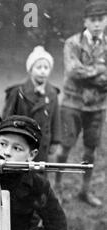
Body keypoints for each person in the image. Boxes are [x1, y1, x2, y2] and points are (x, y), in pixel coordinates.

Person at [55, 0, 107, 207]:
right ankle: (57, 187)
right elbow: (73, 71)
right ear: (85, 21)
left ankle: (85, 190)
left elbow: (83, 72)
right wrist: (101, 71)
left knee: (90, 150)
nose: (96, 24)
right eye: (92, 20)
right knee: (65, 147)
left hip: (97, 106)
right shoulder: (72, 43)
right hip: (72, 104)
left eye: (100, 20)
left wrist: (90, 74)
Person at [3, 45, 61, 162]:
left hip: (42, 143)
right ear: (30, 70)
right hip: (21, 140)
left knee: (39, 172)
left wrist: (55, 141)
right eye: (38, 67)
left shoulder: (52, 93)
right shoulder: (18, 92)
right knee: (21, 170)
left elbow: (55, 118)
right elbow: (7, 117)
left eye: (46, 67)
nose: (43, 71)